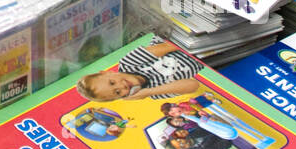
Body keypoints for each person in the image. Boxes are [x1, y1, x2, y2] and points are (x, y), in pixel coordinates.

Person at [75, 40, 203, 101]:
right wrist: (150, 91)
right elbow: (193, 85)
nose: (122, 86)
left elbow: (171, 45)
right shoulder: (154, 93)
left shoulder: (129, 63)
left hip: (185, 41)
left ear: (107, 73)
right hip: (203, 56)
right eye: (118, 92)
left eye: (112, 83)